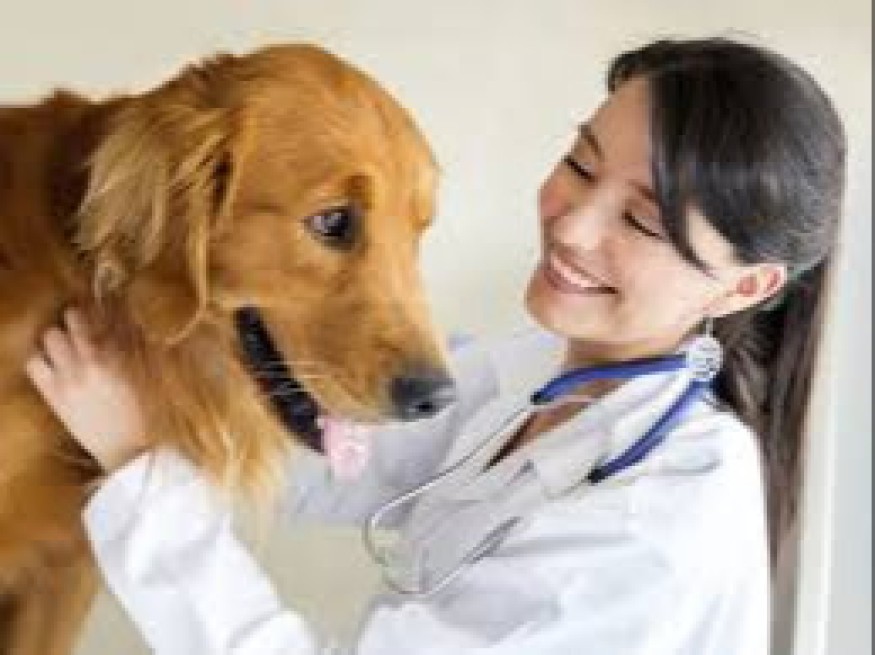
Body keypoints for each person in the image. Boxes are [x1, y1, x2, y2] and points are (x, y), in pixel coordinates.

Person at [25, 37, 845, 654]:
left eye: (640, 220)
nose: (571, 227)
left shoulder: (658, 528)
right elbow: (337, 460)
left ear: (745, 285)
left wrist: (140, 464)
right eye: (579, 163)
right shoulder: (533, 374)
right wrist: (167, 373)